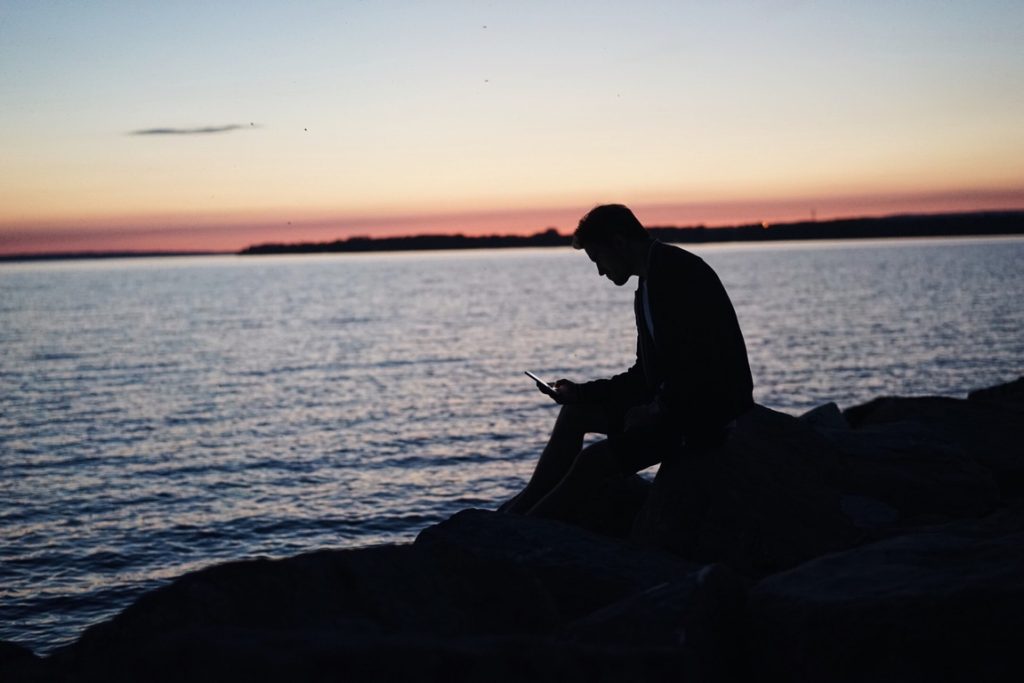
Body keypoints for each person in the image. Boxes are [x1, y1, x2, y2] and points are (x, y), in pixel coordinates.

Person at [501, 204, 754, 522]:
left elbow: (699, 368)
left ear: (618, 243)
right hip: (674, 406)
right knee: (574, 414)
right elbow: (643, 376)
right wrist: (579, 392)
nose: (600, 272)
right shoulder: (648, 285)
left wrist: (653, 411)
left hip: (705, 415)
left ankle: (527, 528)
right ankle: (522, 511)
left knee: (595, 462)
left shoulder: (678, 275)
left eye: (598, 259)